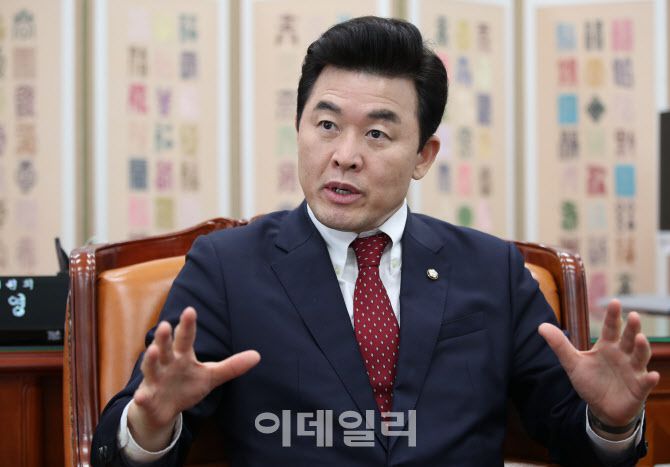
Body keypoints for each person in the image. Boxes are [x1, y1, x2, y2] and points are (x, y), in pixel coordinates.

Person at [92, 16, 659, 466]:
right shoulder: (227, 267)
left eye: (378, 133)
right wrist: (151, 423)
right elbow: (124, 439)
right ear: (299, 130)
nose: (345, 155)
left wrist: (611, 422)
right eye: (326, 125)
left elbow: (571, 436)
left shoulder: (493, 271)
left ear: (423, 156)